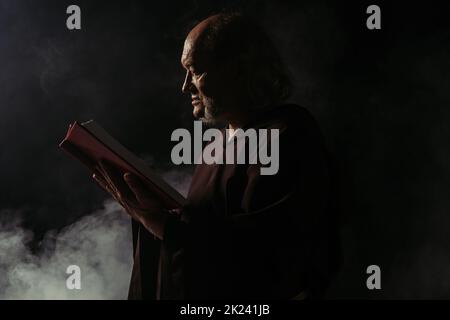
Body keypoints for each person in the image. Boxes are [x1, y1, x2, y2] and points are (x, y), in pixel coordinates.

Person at [93, 12, 339, 300]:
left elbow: (269, 250)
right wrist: (152, 211)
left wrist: (163, 225)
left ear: (238, 68)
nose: (186, 85)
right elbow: (202, 229)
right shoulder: (216, 146)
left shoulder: (288, 132)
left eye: (195, 70)